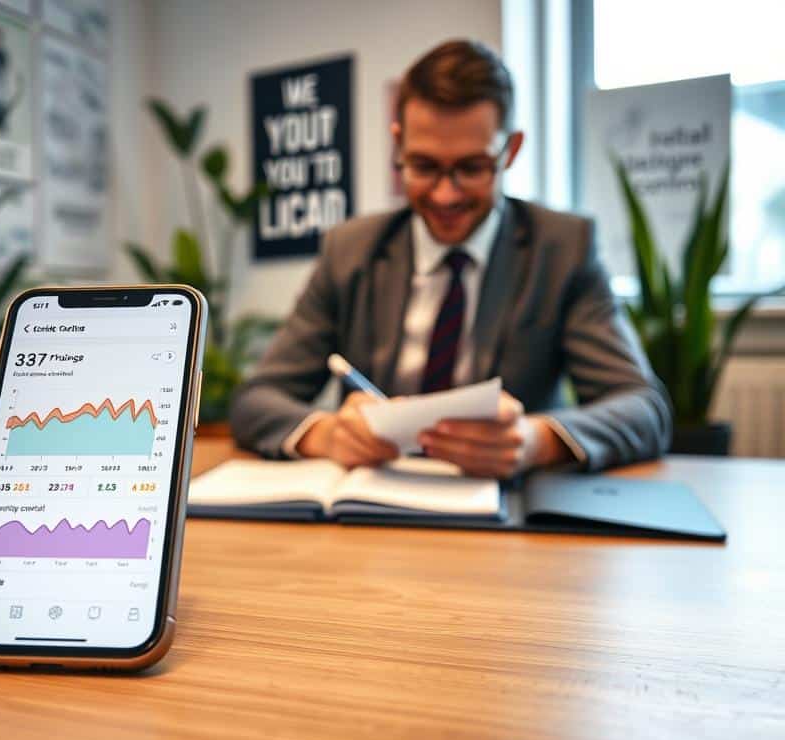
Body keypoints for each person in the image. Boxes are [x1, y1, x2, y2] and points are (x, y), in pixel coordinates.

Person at [230, 40, 671, 477]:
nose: (446, 194)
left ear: (510, 151)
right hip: (373, 512)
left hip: (509, 517)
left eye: (472, 168)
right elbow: (257, 398)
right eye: (423, 166)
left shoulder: (562, 249)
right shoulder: (351, 251)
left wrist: (535, 441)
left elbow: (643, 407)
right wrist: (327, 434)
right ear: (398, 146)